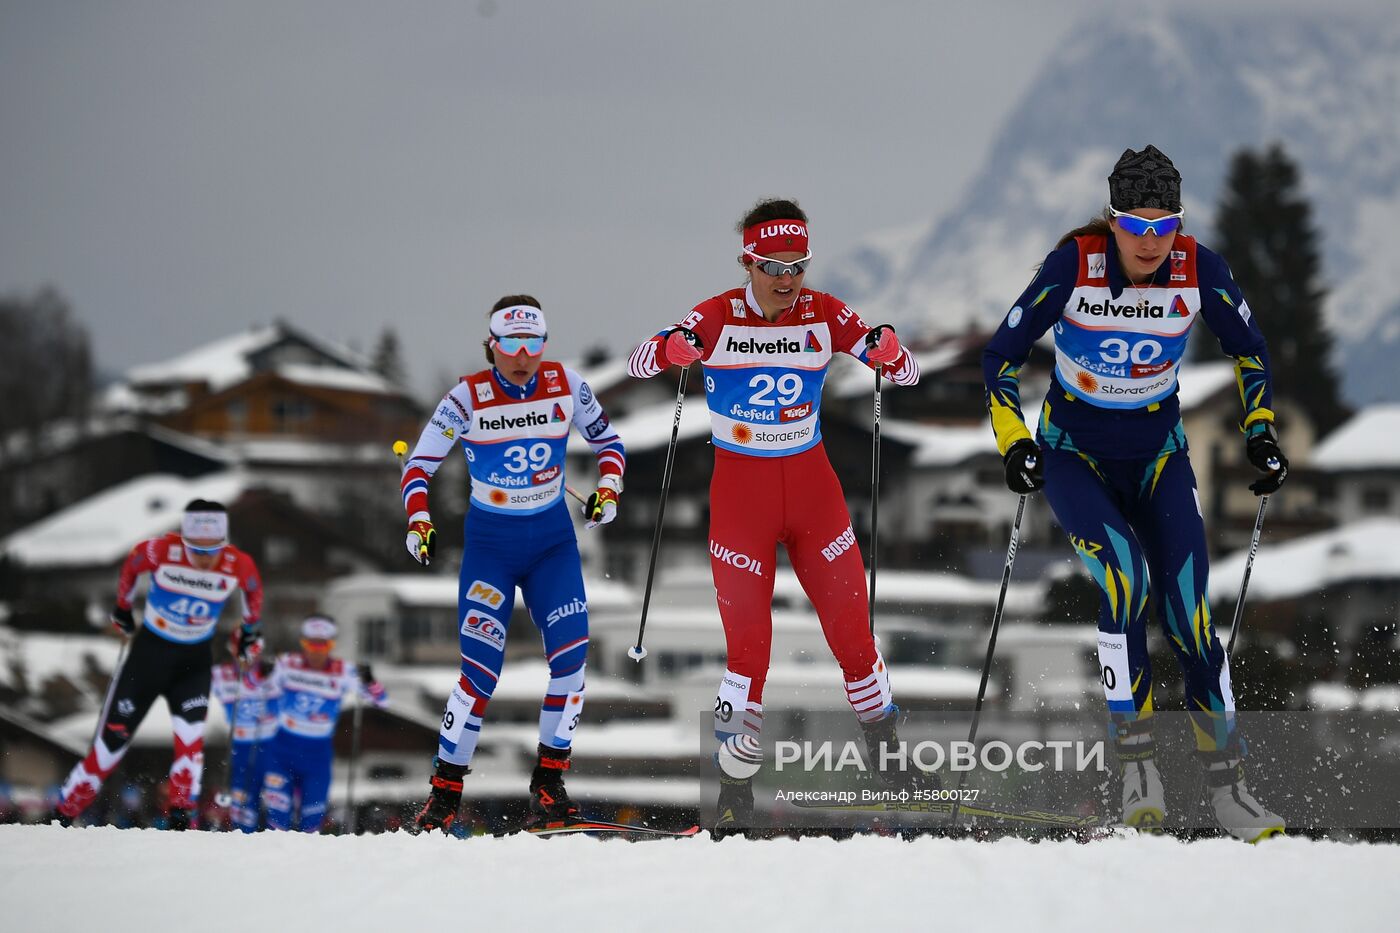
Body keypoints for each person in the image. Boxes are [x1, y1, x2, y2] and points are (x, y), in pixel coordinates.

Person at [982, 145, 1288, 842]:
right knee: (1125, 583)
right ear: (1113, 221)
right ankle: (1138, 769)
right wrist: (1015, 441)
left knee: (1190, 617)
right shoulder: (1075, 264)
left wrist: (1260, 430)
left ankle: (1231, 789)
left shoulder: (1200, 268)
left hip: (1158, 459)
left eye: (1164, 226)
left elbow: (1250, 349)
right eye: (1136, 226)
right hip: (1074, 457)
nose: (1151, 242)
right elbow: (1000, 355)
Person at [627, 198, 924, 835]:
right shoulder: (716, 315)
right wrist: (672, 348)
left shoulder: (825, 311)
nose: (786, 279)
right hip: (743, 505)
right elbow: (639, 362)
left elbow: (906, 372)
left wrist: (889, 351)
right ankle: (734, 791)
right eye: (773, 267)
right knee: (748, 655)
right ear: (748, 263)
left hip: (815, 497)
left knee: (854, 639)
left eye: (797, 266)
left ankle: (890, 761)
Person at [405, 295, 627, 834]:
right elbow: (418, 466)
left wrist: (609, 489)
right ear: (492, 345)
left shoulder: (568, 385)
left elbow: (610, 444)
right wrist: (419, 520)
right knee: (480, 674)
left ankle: (549, 787)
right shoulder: (466, 397)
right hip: (492, 550)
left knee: (572, 664)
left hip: (552, 546)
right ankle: (444, 795)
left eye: (533, 343)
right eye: (511, 344)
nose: (523, 356)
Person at [52, 499, 264, 829]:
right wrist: (123, 607)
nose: (205, 559)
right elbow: (131, 565)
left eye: (213, 551)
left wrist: (249, 630)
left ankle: (180, 820)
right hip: (148, 659)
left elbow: (254, 591)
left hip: (193, 664)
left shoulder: (238, 564)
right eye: (197, 550)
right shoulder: (161, 551)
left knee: (191, 745)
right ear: (184, 540)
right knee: (108, 751)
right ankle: (62, 815)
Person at [254, 615, 387, 833]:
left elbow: (381, 701)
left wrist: (369, 681)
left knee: (312, 822)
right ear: (303, 643)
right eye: (311, 644)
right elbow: (256, 689)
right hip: (282, 751)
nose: (316, 651)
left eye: (322, 645)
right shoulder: (286, 664)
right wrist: (262, 673)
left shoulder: (343, 671)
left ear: (331, 644)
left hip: (317, 756)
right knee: (277, 819)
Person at [210, 649, 278, 832]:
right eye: (240, 652)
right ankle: (242, 835)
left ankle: (281, 840)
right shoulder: (221, 674)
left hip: (272, 746)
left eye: (253, 652)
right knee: (243, 804)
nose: (247, 659)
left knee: (277, 803)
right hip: (241, 747)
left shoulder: (273, 670)